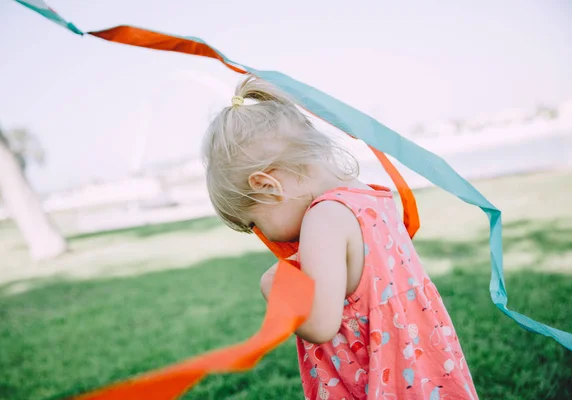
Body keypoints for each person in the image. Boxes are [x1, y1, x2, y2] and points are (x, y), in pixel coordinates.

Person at [202, 76, 478, 400]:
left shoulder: (324, 217)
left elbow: (320, 323)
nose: (262, 235)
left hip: (378, 381)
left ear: (267, 185)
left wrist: (274, 285)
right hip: (422, 369)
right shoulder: (373, 198)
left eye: (252, 223)